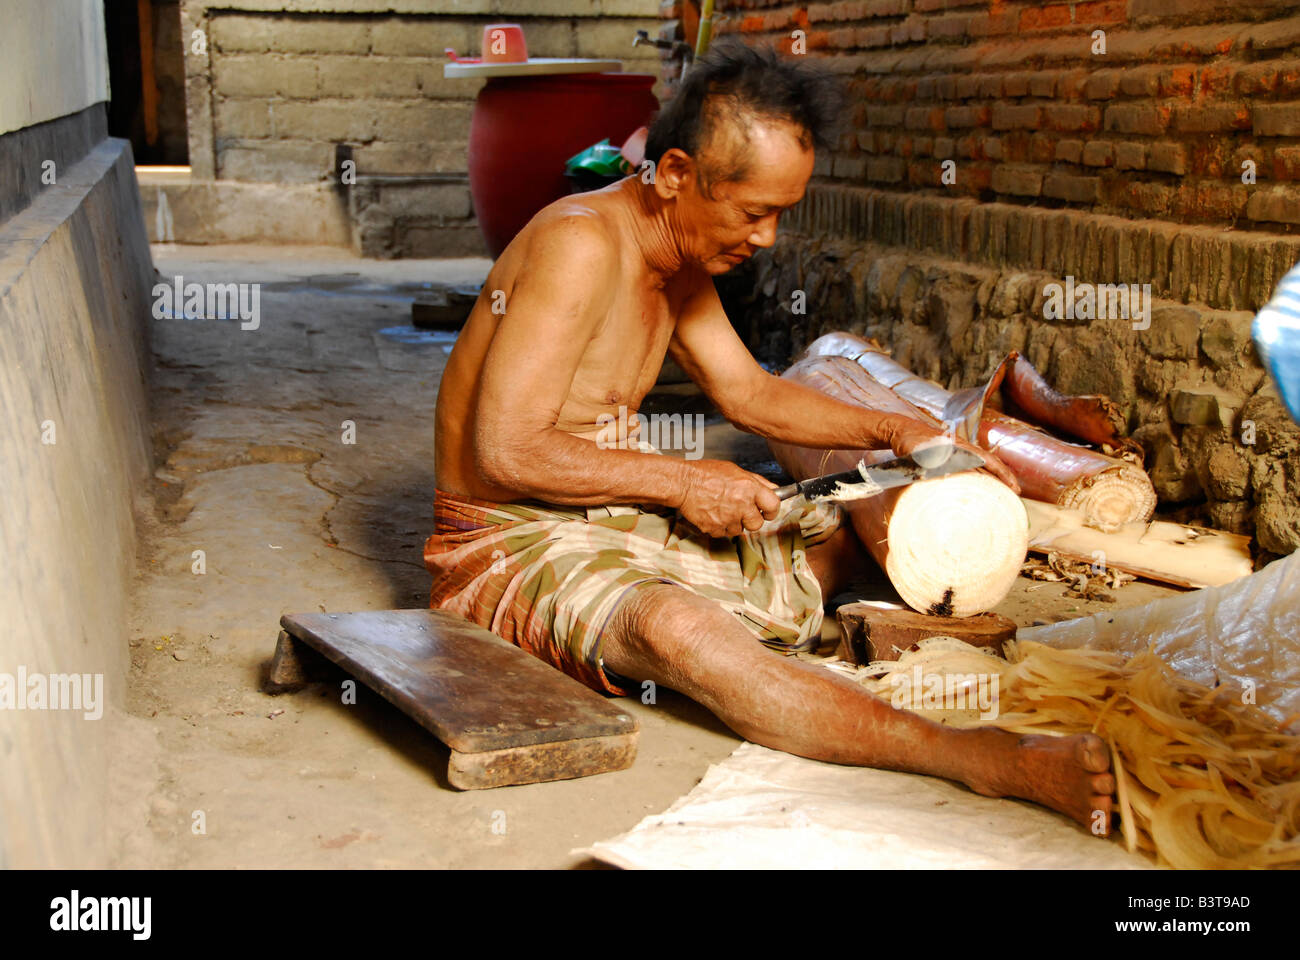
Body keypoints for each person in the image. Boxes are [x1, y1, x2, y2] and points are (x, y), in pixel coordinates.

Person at [427, 40, 1113, 833]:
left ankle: (788, 618)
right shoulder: (580, 242)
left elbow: (749, 393)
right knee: (674, 629)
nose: (769, 239)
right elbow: (504, 453)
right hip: (504, 540)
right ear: (676, 174)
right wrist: (686, 483)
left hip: (599, 506)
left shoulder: (674, 256)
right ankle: (982, 759)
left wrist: (899, 430)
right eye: (755, 211)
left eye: (781, 213)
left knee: (815, 524)